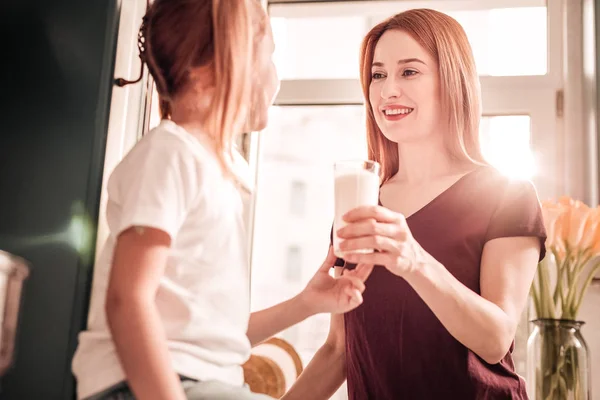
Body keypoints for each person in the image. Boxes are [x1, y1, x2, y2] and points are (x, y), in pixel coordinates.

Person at [71, 1, 371, 399]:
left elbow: (210, 339)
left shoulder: (217, 172)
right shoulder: (170, 154)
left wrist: (306, 304)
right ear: (205, 72)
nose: (276, 77)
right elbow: (128, 301)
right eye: (269, 57)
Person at [282, 8, 546, 400]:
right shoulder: (362, 203)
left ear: (451, 81)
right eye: (378, 74)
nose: (388, 90)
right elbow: (339, 350)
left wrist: (414, 261)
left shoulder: (508, 195)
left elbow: (495, 337)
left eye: (409, 71)